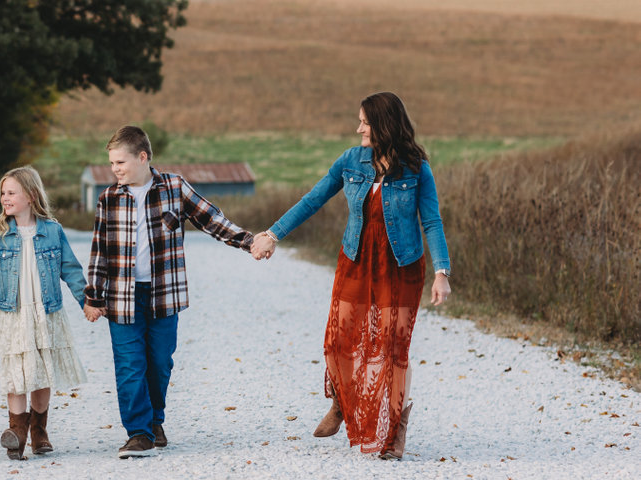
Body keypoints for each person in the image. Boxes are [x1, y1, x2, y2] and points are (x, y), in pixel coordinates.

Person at [251, 92, 451, 460]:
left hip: (401, 266)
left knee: (392, 351)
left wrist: (441, 272)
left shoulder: (417, 168)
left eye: (365, 121)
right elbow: (313, 199)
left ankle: (394, 432)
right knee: (339, 342)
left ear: (384, 124)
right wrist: (273, 234)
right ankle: (343, 403)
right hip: (357, 261)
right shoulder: (350, 160)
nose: (359, 127)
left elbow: (432, 221)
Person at [84, 126, 255, 458]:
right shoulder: (109, 198)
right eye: (112, 163)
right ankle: (138, 432)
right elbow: (99, 251)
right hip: (122, 295)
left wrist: (249, 242)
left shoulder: (174, 188)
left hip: (164, 294)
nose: (114, 169)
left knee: (160, 363)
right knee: (129, 365)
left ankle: (154, 421)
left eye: (120, 162)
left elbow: (213, 220)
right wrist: (93, 296)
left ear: (143, 157)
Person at [0, 166, 88, 460]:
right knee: (15, 374)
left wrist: (86, 300)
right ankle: (17, 433)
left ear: (31, 196)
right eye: (3, 193)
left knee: (43, 373)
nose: (5, 198)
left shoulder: (53, 231)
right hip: (14, 315)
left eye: (11, 193)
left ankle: (39, 431)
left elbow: (70, 269)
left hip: (46, 314)